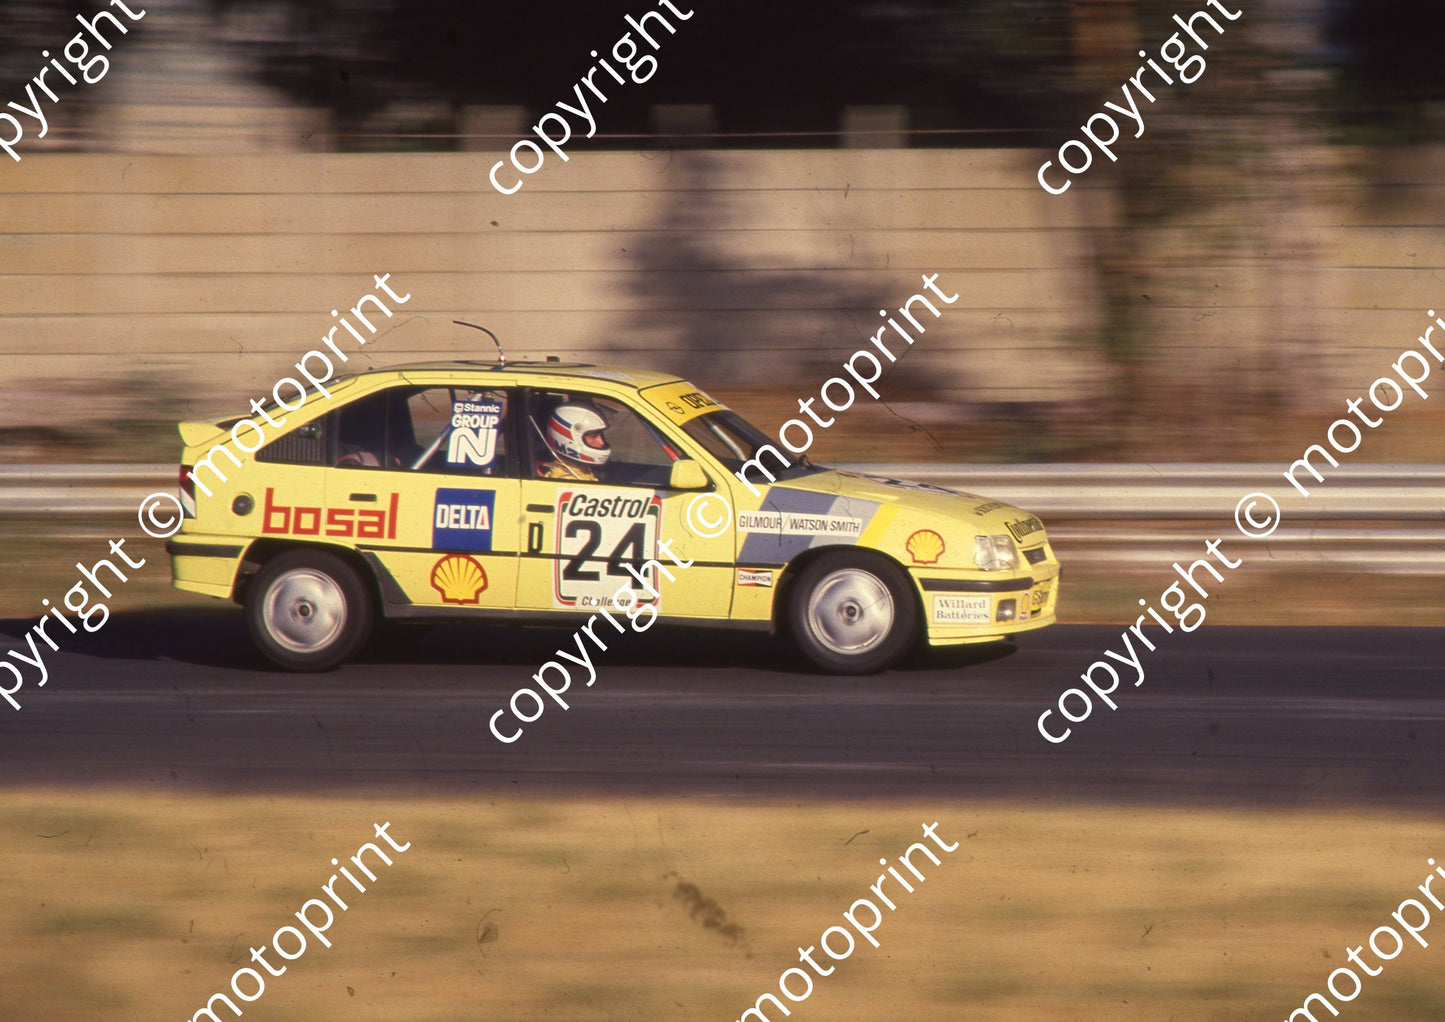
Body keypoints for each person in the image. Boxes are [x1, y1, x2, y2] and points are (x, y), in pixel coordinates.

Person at [535, 402, 610, 481]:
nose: (602, 443)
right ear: (569, 438)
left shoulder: (581, 469)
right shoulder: (566, 480)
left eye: (601, 435)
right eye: (593, 436)